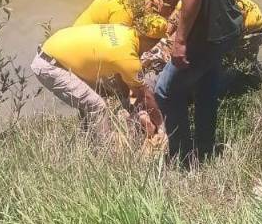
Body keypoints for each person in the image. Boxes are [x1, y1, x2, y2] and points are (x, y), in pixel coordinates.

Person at [148, 0, 242, 165]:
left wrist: (180, 40)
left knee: (165, 91)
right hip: (224, 28)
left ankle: (181, 157)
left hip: (206, 32)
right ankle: (205, 151)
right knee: (205, 90)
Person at [30, 23, 165, 141]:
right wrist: (160, 125)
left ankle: (88, 138)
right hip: (51, 66)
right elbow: (145, 95)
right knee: (97, 106)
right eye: (154, 45)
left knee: (92, 97)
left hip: (55, 49)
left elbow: (122, 78)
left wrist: (128, 103)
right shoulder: (127, 58)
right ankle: (107, 151)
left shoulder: (124, 31)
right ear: (150, 41)